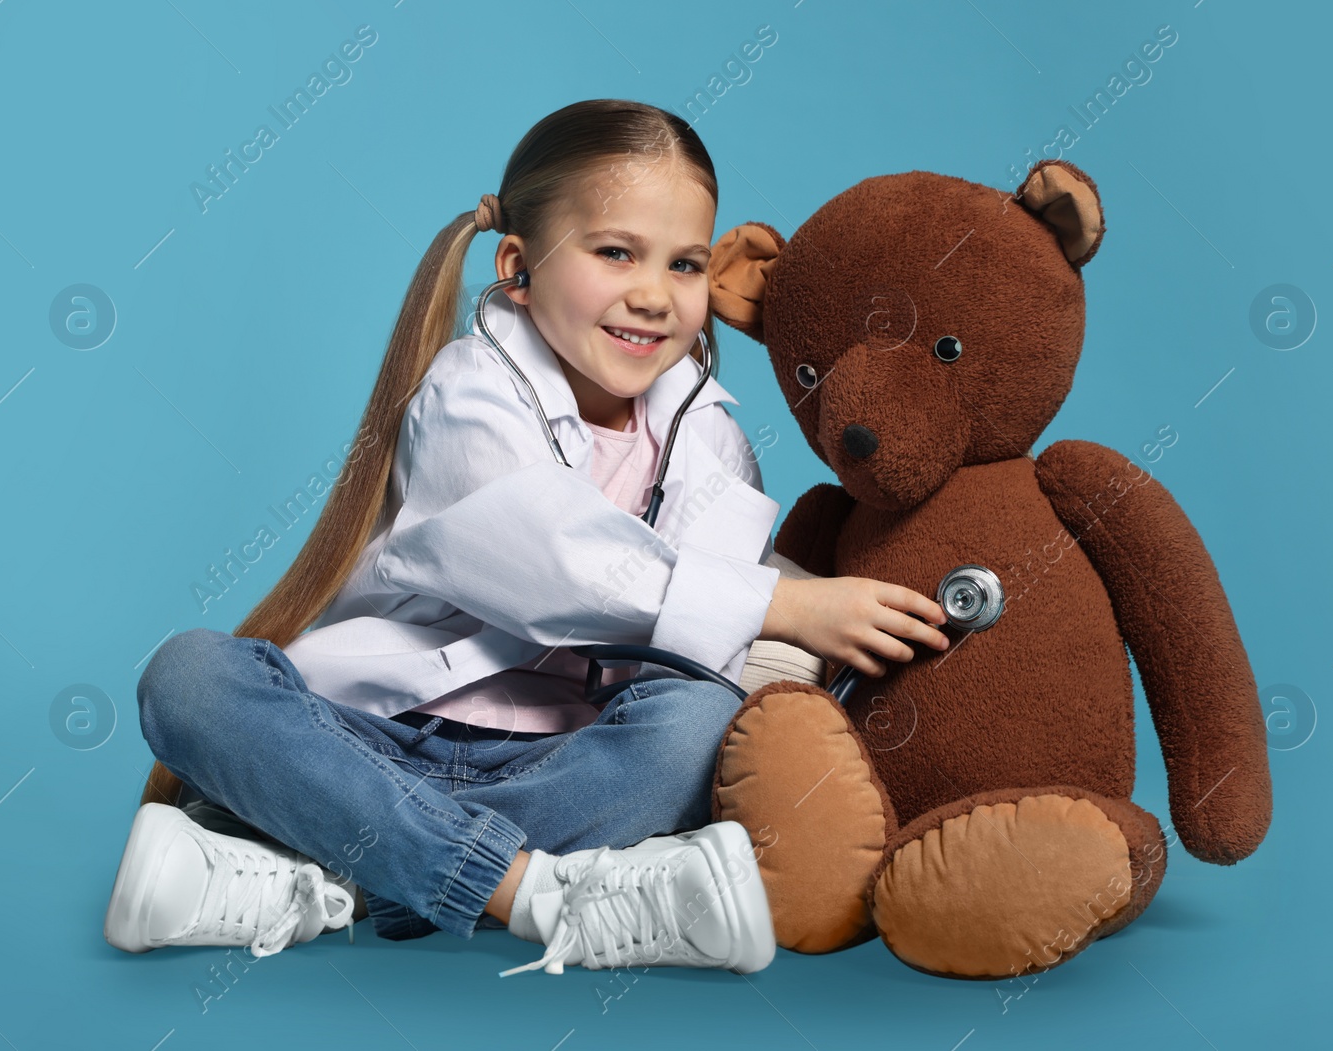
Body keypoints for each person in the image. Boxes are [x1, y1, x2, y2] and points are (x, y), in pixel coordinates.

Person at [103, 99, 951, 977]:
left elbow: (706, 648)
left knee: (699, 721)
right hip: (373, 737)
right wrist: (786, 603)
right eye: (615, 252)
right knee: (190, 677)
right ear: (518, 266)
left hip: (559, 763)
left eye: (686, 263)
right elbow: (552, 562)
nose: (654, 293)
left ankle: (326, 876)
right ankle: (534, 895)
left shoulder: (714, 438)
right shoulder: (469, 390)